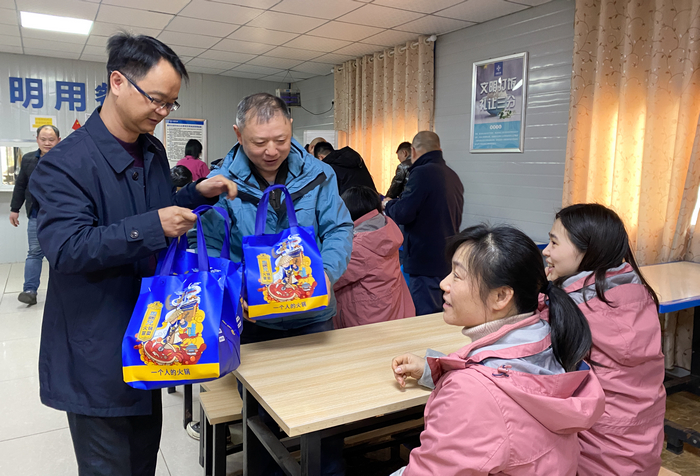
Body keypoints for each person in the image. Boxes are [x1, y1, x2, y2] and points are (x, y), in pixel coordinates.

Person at [28, 33, 236, 476]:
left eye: (170, 104)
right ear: (117, 81)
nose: (162, 113)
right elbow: (67, 247)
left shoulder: (152, 150)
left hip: (150, 340)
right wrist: (152, 227)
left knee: (141, 463)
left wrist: (195, 194)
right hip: (97, 351)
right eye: (156, 100)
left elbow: (150, 208)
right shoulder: (65, 163)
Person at [195, 92, 353, 475]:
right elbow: (211, 247)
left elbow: (339, 228)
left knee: (325, 410)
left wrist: (327, 274)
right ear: (237, 134)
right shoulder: (221, 181)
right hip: (254, 325)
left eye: (280, 141)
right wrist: (234, 294)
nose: (271, 151)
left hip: (313, 318)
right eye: (259, 142)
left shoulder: (320, 174)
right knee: (260, 420)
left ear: (291, 130)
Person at [390, 225, 605, 475]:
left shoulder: (469, 394)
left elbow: (483, 395)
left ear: (501, 296)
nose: (443, 283)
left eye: (457, 276)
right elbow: (504, 379)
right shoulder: (548, 337)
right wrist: (432, 367)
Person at [542, 204, 666, 476]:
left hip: (594, 456)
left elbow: (526, 372)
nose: (546, 251)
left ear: (588, 250)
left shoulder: (568, 308)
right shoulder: (640, 294)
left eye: (553, 242)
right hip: (644, 452)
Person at [383, 131, 464, 315]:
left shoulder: (421, 173)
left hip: (425, 260)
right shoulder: (452, 175)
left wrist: (388, 204)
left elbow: (403, 213)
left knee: (423, 317)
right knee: (442, 315)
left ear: (412, 150)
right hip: (447, 258)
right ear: (439, 149)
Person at [333, 186, 414, 329]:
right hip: (389, 311)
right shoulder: (384, 229)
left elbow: (332, 278)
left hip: (365, 320)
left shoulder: (359, 246)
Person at [9, 125, 60, 305]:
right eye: (43, 139)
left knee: (62, 253)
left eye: (51, 139)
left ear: (58, 140)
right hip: (36, 215)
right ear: (37, 140)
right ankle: (30, 290)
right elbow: (21, 185)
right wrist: (15, 209)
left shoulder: (66, 158)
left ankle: (63, 291)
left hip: (61, 216)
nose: (47, 143)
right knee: (34, 253)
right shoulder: (29, 159)